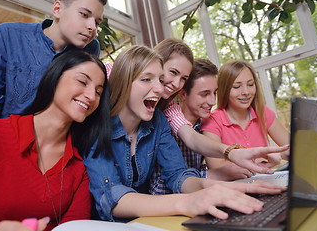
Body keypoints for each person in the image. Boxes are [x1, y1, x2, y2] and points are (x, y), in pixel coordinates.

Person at [83, 45, 286, 222]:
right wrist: (189, 201)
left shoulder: (159, 119)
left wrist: (219, 187)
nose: (160, 88)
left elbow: (178, 175)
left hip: (148, 218)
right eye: (146, 79)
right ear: (124, 81)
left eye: (161, 80)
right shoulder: (96, 122)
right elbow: (112, 198)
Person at [0, 50, 111, 230]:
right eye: (82, 81)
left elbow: (73, 227)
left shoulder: (82, 165)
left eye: (98, 91)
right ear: (54, 77)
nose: (91, 96)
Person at [0, 0, 107, 129]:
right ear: (57, 9)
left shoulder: (91, 48)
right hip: (7, 143)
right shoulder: (8, 35)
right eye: (84, 14)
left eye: (97, 22)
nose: (92, 27)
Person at [156, 38, 288, 175]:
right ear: (183, 94)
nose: (212, 101)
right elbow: (194, 153)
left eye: (214, 93)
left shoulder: (201, 121)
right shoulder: (168, 116)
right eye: (204, 94)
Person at [201, 60, 290, 170]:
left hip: (265, 182)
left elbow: (291, 147)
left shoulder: (262, 112)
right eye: (237, 87)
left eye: (250, 84)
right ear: (224, 89)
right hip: (234, 186)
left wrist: (286, 153)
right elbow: (216, 168)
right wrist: (264, 157)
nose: (246, 92)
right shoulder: (212, 121)